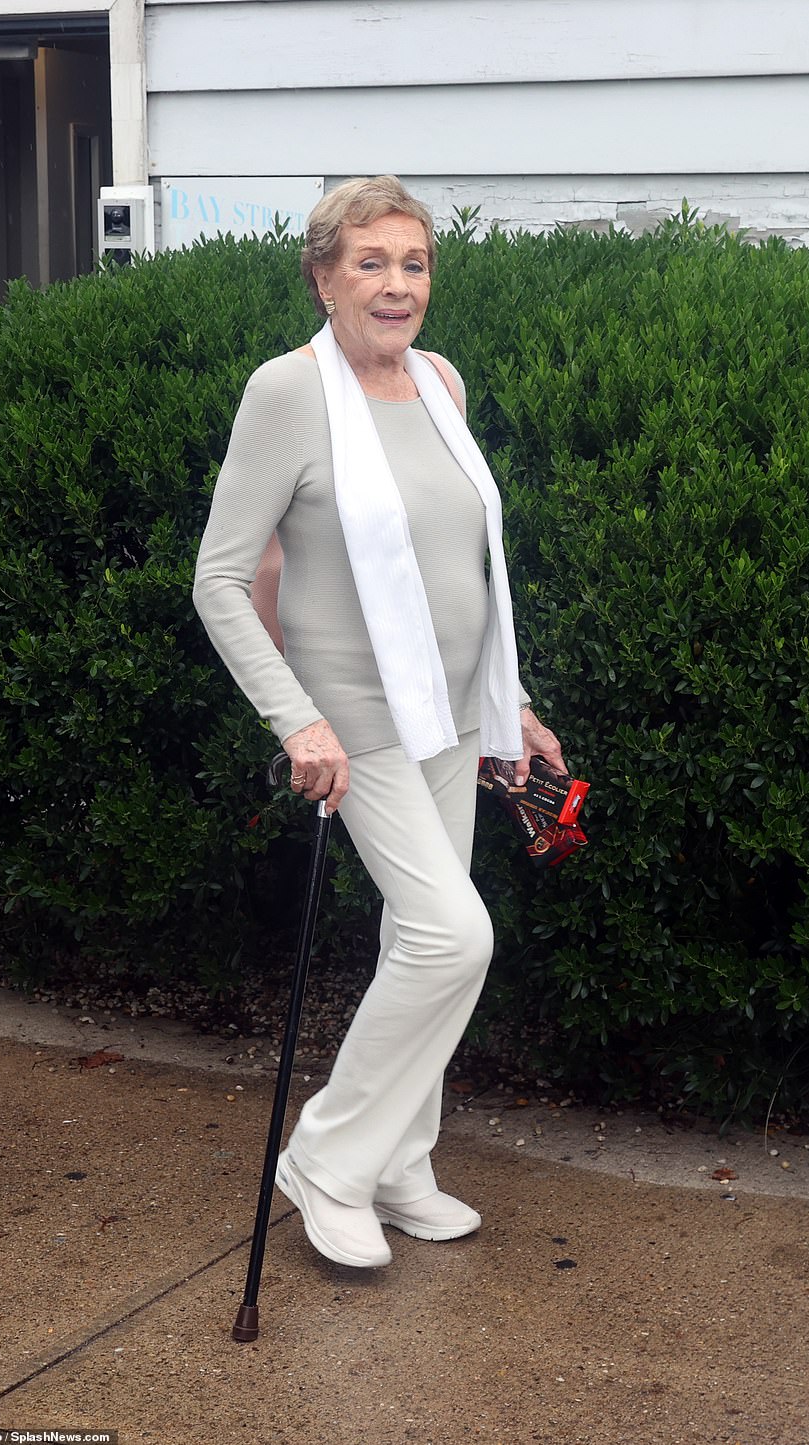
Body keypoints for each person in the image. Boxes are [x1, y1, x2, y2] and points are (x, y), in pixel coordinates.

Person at [192, 175, 566, 1269]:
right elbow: (218, 579)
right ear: (322, 275)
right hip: (357, 723)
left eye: (413, 263)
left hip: (454, 715)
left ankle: (402, 1161)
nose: (395, 285)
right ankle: (329, 1158)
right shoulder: (287, 392)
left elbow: (464, 568)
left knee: (424, 939)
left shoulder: (437, 382)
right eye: (370, 263)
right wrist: (296, 720)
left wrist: (513, 704)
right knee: (454, 933)